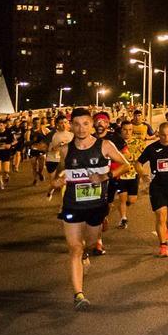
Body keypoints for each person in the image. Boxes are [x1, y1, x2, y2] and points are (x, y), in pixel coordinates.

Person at [49, 107, 130, 310]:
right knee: (75, 247)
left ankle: (89, 248)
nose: (81, 128)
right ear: (71, 126)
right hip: (72, 205)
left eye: (86, 123)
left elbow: (126, 164)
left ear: (92, 125)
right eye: (76, 124)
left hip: (96, 205)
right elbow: (58, 174)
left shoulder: (105, 145)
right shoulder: (66, 149)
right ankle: (79, 295)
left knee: (92, 242)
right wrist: (56, 182)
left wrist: (105, 176)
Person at [138, 121, 168, 258]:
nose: (166, 138)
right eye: (163, 135)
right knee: (161, 216)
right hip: (157, 186)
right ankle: (163, 245)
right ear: (158, 134)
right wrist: (142, 175)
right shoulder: (152, 148)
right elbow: (138, 163)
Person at [111, 121, 146, 229]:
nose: (127, 132)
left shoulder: (138, 142)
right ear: (121, 130)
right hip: (120, 174)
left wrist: (143, 173)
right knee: (122, 198)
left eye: (130, 130)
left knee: (132, 199)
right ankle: (123, 218)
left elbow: (142, 157)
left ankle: (122, 207)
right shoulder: (115, 142)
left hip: (133, 174)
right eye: (125, 129)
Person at [44, 115, 74, 199]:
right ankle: (50, 192)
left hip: (65, 162)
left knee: (65, 184)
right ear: (57, 124)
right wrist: (59, 145)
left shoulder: (72, 135)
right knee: (54, 183)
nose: (63, 125)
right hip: (52, 160)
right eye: (61, 123)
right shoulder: (52, 134)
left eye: (65, 122)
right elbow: (49, 149)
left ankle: (64, 204)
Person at [0, 118, 16, 189]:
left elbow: (15, 141)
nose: (0, 127)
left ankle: (7, 175)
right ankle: (1, 183)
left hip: (6, 153)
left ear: (4, 126)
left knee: (6, 170)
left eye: (1, 125)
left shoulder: (8, 133)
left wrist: (10, 145)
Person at [26, 117, 49, 184]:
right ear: (33, 123)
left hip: (41, 149)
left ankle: (40, 173)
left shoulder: (44, 130)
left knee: (41, 164)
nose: (37, 124)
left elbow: (50, 137)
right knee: (34, 165)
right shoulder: (29, 131)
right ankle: (35, 179)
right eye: (35, 123)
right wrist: (34, 141)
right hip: (32, 150)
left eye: (38, 123)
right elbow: (27, 142)